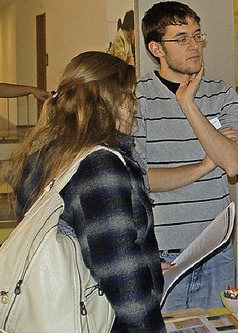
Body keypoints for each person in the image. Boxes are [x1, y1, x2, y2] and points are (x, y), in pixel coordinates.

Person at [3, 51, 165, 331]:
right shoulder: (101, 165)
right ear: (113, 102)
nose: (135, 107)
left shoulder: (46, 153)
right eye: (130, 96)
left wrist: (147, 264)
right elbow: (121, 276)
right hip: (97, 320)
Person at [135, 1, 238, 311]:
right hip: (161, 256)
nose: (195, 45)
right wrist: (206, 164)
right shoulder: (135, 99)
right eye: (181, 38)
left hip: (217, 252)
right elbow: (140, 179)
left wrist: (188, 104)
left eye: (197, 36)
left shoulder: (221, 93)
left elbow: (234, 163)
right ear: (156, 48)